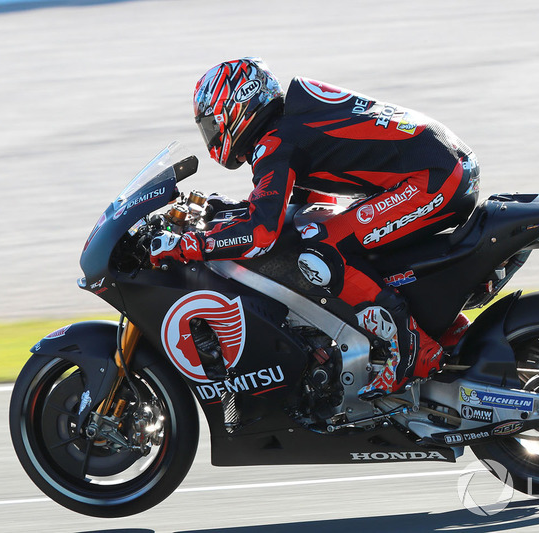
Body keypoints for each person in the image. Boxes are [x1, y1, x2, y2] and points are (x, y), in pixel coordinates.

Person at [151, 57, 479, 400]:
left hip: (434, 180)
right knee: (327, 232)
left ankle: (409, 348)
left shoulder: (275, 140)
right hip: (446, 167)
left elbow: (262, 233)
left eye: (211, 126)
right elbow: (305, 202)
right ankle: (435, 325)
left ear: (235, 109)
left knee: (323, 251)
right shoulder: (292, 118)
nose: (213, 136)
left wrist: (190, 245)